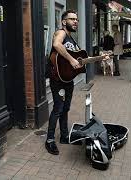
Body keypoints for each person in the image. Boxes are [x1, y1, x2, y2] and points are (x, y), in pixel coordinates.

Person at [45, 9, 82, 155]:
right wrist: (71, 59)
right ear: (64, 22)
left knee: (66, 108)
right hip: (57, 80)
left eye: (76, 19)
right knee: (58, 109)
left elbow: (80, 58)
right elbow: (56, 45)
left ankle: (64, 136)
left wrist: (99, 58)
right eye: (72, 19)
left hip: (68, 80)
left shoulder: (72, 40)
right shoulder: (61, 33)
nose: (75, 22)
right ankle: (49, 140)